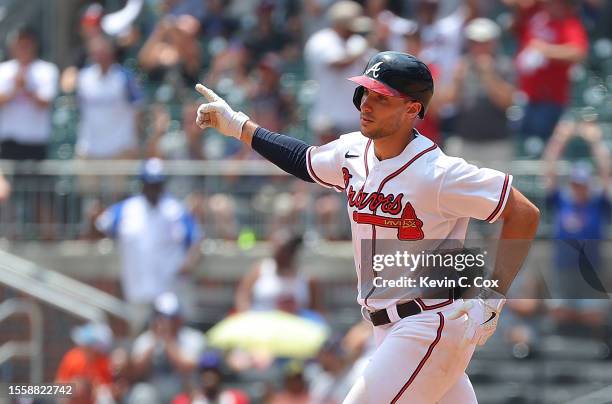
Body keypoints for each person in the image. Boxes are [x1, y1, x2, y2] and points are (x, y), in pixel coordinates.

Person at [193, 51, 540, 402]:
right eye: (366, 93)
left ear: (412, 109)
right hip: (389, 327)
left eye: (381, 97)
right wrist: (238, 126)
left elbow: (523, 212)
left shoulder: (439, 173)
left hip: (429, 322)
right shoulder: (353, 152)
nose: (367, 104)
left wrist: (492, 297)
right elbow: (304, 160)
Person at [95, 158, 202, 324]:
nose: (153, 189)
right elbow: (99, 226)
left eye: (157, 184)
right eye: (149, 184)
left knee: (174, 336)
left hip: (171, 289)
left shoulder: (176, 211)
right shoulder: (126, 209)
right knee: (141, 338)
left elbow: (196, 241)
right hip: (138, 290)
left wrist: (188, 264)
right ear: (142, 184)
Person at [542, 118, 610, 339]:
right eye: (575, 183)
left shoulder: (598, 203)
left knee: (594, 316)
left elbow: (606, 172)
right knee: (558, 313)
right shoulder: (562, 199)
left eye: (582, 183)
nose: (578, 188)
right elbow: (550, 168)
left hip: (591, 270)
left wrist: (596, 141)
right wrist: (560, 138)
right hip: (563, 269)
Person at [504, 0, 588, 147]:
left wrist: (546, 50)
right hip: (525, 96)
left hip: (549, 100)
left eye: (554, 3)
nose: (549, 6)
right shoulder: (538, 18)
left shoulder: (569, 24)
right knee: (520, 146)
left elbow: (578, 53)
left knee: (538, 147)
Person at [129, 292, 206, 404]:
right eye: (161, 317)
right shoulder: (146, 339)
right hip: (155, 393)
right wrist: (154, 341)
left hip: (184, 391)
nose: (166, 322)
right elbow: (135, 371)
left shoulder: (193, 338)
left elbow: (188, 367)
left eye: (171, 318)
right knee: (141, 393)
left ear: (180, 318)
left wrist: (168, 340)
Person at [0, 27, 58, 160]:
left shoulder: (47, 70)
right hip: (9, 141)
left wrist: (26, 88)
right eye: (20, 44)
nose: (23, 48)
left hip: (36, 141)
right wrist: (15, 89)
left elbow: (45, 103)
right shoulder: (3, 70)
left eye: (27, 44)